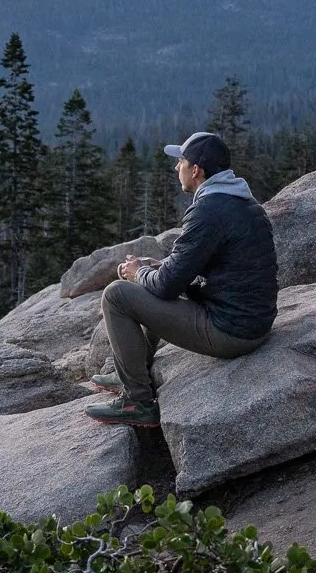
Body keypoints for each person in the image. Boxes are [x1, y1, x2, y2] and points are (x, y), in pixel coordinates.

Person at [85, 130, 278, 427]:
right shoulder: (242, 202)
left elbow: (166, 286)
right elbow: (202, 268)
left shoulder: (208, 211)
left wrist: (139, 272)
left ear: (196, 170)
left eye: (181, 162)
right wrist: (158, 267)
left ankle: (137, 401)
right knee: (152, 284)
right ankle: (134, 368)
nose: (177, 168)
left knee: (116, 295)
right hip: (253, 322)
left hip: (231, 332)